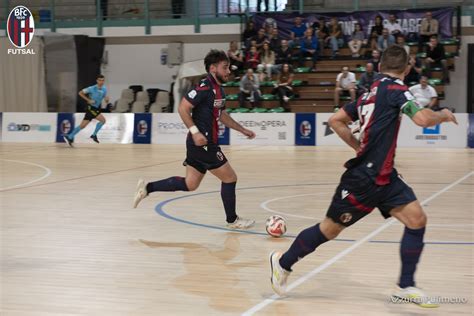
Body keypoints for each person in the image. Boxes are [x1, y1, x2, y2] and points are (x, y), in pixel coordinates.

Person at [269, 45, 458, 308]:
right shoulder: (396, 89)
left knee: (416, 219)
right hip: (362, 179)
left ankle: (405, 285)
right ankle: (282, 262)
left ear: (380, 66)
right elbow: (423, 119)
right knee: (329, 230)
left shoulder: (368, 92)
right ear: (407, 69)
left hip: (385, 176)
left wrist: (358, 145)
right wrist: (445, 115)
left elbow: (336, 120)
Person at [133, 50, 256, 229]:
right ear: (213, 68)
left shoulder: (219, 90)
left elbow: (221, 115)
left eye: (228, 67)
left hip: (199, 145)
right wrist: (195, 132)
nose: (228, 71)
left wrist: (242, 129)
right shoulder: (204, 87)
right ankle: (233, 220)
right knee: (230, 178)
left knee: (190, 184)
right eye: (225, 67)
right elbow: (183, 108)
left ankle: (147, 188)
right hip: (204, 144)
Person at [63, 74, 109, 146]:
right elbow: (80, 93)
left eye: (103, 80)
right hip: (91, 108)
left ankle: (70, 136)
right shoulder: (91, 88)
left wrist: (106, 100)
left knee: (83, 125)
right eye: (100, 80)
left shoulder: (104, 89)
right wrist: (88, 100)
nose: (101, 82)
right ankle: (94, 135)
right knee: (103, 120)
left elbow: (105, 97)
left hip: (95, 109)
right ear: (97, 81)